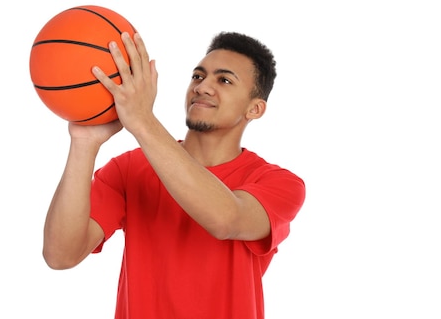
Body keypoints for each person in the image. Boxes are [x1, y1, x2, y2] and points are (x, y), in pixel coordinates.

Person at [42, 31, 306, 319]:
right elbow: (60, 255)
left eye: (225, 80)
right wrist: (84, 143)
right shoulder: (129, 168)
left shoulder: (279, 183)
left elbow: (225, 219)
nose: (203, 87)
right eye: (198, 76)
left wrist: (143, 121)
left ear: (255, 109)